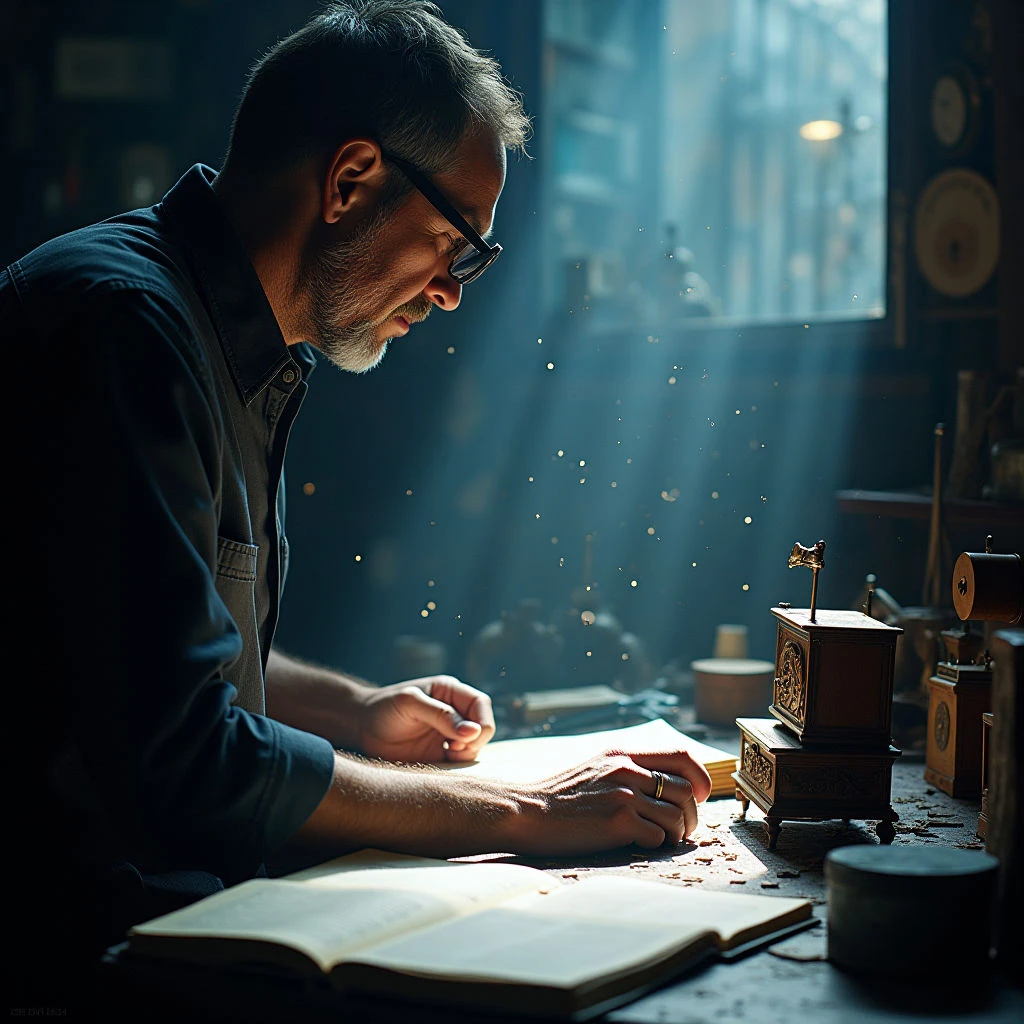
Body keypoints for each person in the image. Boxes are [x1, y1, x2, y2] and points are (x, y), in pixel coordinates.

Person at [5, 0, 712, 1004]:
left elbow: (156, 650)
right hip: (68, 947)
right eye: (458, 242)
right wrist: (515, 808)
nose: (453, 291)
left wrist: (357, 710)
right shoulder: (128, 332)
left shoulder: (235, 343)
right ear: (348, 181)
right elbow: (183, 758)